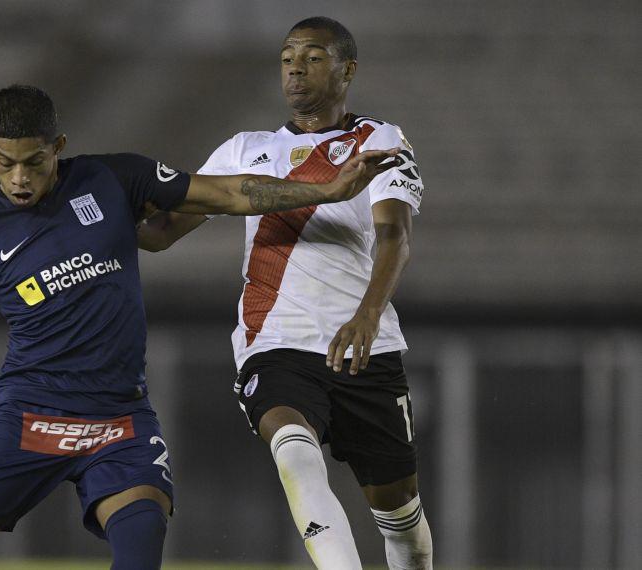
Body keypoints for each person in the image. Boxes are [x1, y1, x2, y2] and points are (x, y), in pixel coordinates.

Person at [0, 84, 398, 570]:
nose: (19, 178)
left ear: (58, 147)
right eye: (4, 162)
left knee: (140, 553)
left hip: (119, 421)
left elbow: (227, 192)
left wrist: (326, 188)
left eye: (34, 162)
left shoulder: (113, 180)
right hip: (29, 417)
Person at [137, 16, 432, 570]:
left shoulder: (377, 140)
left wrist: (368, 315)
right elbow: (162, 234)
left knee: (402, 521)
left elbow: (395, 234)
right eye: (287, 56)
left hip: (363, 345)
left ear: (348, 70)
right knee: (294, 453)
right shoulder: (242, 151)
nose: (295, 66)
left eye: (313, 56)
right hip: (274, 341)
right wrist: (88, 220)